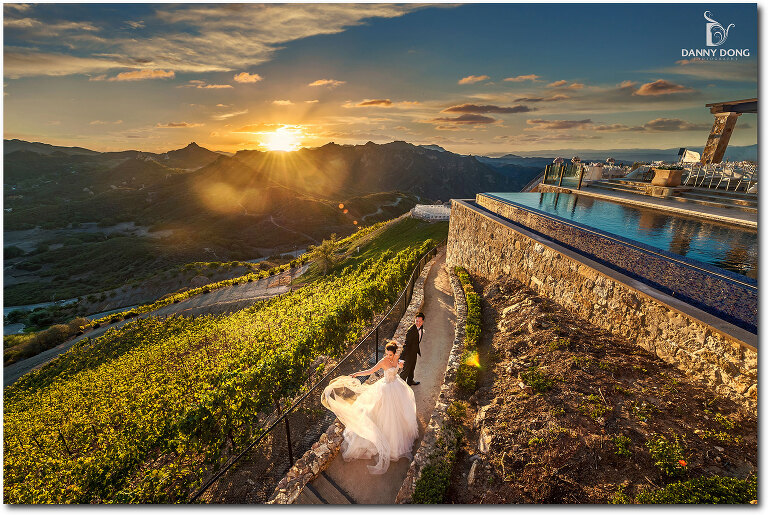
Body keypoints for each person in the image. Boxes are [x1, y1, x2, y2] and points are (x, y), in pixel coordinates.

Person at [321, 341, 418, 474]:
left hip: (396, 387)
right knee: (382, 414)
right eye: (387, 354)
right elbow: (370, 371)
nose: (388, 356)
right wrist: (356, 374)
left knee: (398, 414)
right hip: (385, 390)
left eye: (390, 354)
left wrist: (399, 365)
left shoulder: (396, 358)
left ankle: (397, 443)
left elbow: (398, 366)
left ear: (395, 353)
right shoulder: (383, 361)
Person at [399, 312, 425, 386]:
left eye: (420, 321)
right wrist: (401, 359)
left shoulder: (421, 328)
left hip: (414, 352)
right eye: (417, 321)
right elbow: (406, 345)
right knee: (405, 371)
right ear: (414, 320)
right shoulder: (410, 331)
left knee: (412, 368)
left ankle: (410, 381)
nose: (418, 323)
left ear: (423, 321)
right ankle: (400, 386)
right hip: (408, 354)